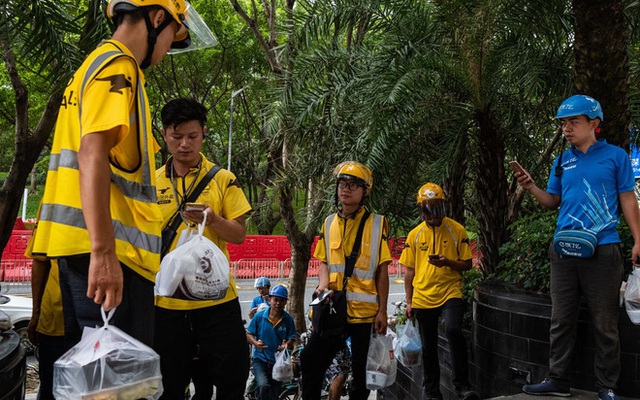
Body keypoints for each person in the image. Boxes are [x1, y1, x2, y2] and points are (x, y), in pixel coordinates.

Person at [29, 0, 215, 349]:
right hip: (110, 256)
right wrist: (103, 252)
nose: (166, 49)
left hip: (86, 252)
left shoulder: (93, 66)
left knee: (100, 381)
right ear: (158, 18)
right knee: (118, 383)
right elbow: (92, 153)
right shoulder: (119, 66)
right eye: (172, 36)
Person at [515, 95, 640, 400]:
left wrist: (639, 239)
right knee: (561, 319)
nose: (566, 129)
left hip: (603, 249)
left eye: (573, 122)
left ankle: (607, 386)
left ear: (594, 123)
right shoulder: (562, 161)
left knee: (605, 322)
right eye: (563, 123)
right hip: (563, 251)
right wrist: (531, 186)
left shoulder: (615, 156)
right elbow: (552, 202)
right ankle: (557, 380)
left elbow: (627, 198)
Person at [154, 97, 251, 400]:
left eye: (192, 136)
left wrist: (213, 218)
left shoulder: (223, 179)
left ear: (204, 133)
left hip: (216, 300)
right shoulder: (149, 182)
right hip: (168, 304)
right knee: (169, 384)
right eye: (177, 136)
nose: (184, 144)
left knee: (232, 376)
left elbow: (238, 235)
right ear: (164, 135)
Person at [300, 161, 391, 400]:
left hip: (363, 313)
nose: (346, 189)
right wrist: (322, 285)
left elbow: (382, 270)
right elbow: (324, 261)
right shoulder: (329, 222)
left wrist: (382, 310)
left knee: (360, 377)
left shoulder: (377, 223)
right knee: (310, 359)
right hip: (332, 308)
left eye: (352, 185)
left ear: (365, 191)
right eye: (342, 184)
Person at [399, 183, 479, 400]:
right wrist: (409, 301)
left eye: (435, 208)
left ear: (442, 207)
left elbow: (467, 264)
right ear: (421, 210)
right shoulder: (414, 235)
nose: (431, 213)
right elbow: (409, 271)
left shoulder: (457, 230)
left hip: (450, 290)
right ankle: (432, 392)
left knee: (453, 330)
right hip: (423, 296)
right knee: (428, 346)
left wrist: (448, 263)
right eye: (427, 208)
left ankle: (462, 386)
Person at [25, 220, 65, 400]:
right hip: (57, 322)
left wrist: (36, 315)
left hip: (57, 320)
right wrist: (36, 315)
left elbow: (40, 261)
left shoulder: (55, 197)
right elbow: (40, 261)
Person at [246, 285, 297, 400]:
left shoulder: (288, 320)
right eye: (275, 300)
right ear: (269, 299)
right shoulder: (259, 316)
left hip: (278, 362)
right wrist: (255, 343)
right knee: (263, 386)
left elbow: (292, 337)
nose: (278, 303)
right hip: (260, 360)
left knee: (275, 393)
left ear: (285, 302)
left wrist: (287, 344)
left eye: (282, 300)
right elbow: (248, 334)